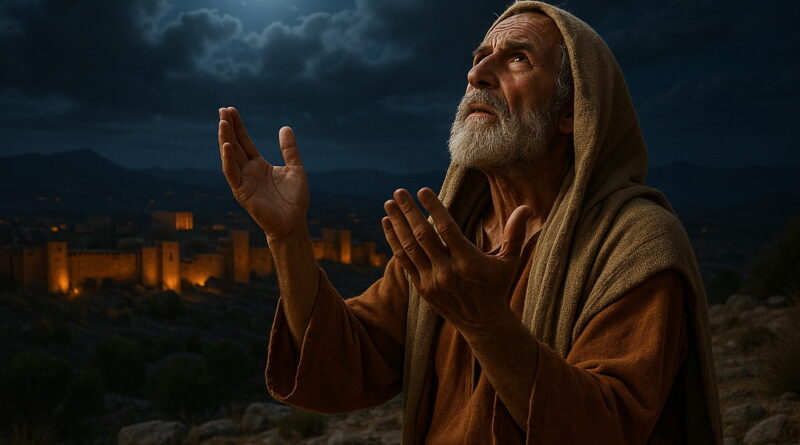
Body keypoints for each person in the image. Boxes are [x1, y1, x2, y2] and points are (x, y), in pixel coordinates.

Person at [216, 1, 723, 444]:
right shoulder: (452, 240)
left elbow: (610, 428)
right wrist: (287, 237)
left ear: (573, 112)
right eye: (479, 58)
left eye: (517, 58)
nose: (477, 74)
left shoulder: (636, 245)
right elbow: (348, 363)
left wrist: (487, 323)